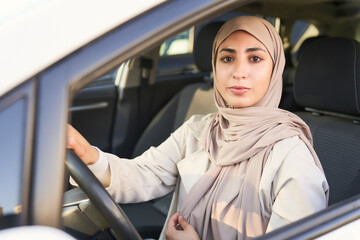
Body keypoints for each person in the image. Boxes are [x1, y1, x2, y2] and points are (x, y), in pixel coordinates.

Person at [67, 16, 329, 240]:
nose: (239, 71)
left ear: (275, 69)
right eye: (227, 58)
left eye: (255, 58)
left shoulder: (291, 156)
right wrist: (88, 154)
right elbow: (144, 174)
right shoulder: (199, 130)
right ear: (214, 66)